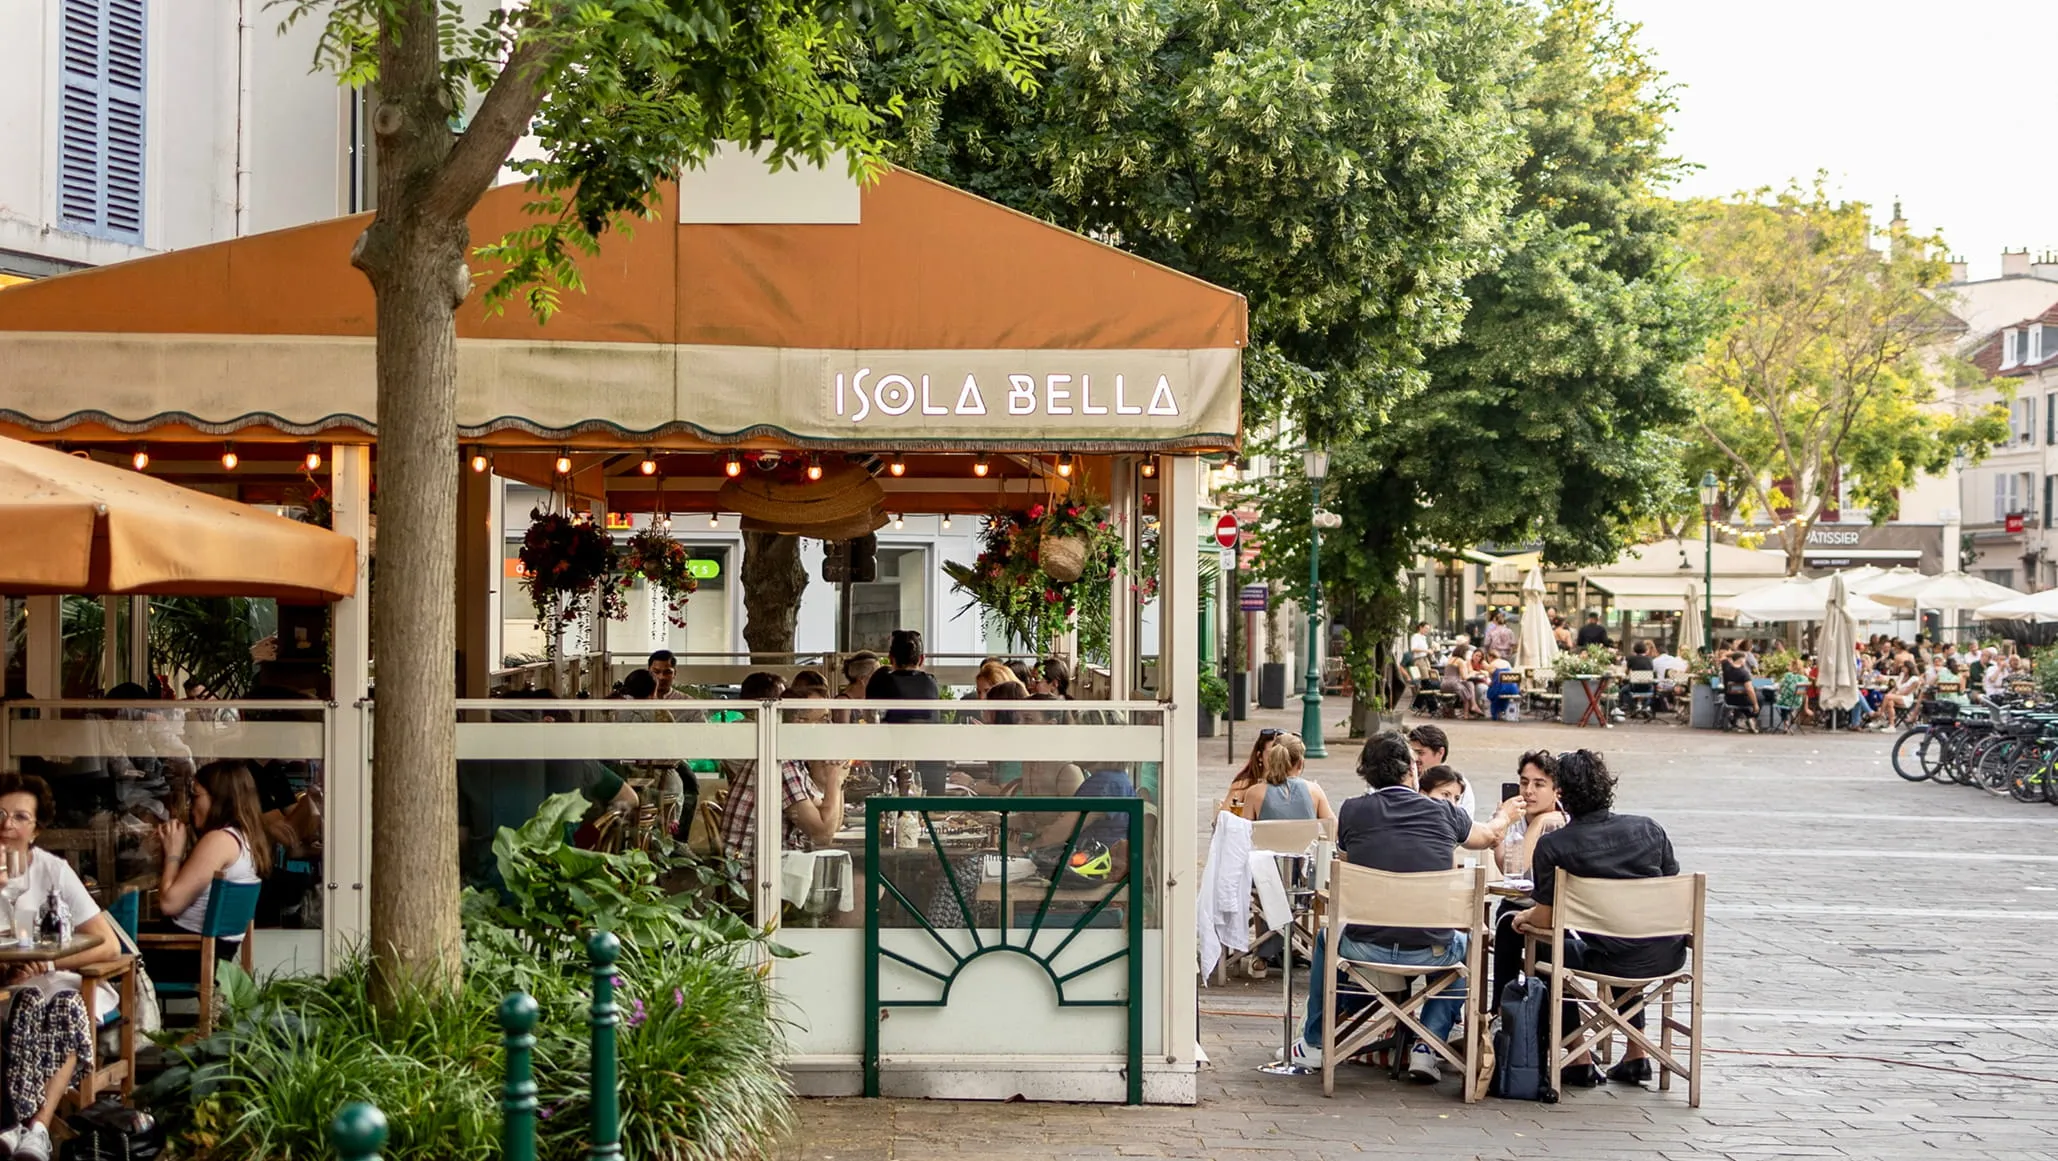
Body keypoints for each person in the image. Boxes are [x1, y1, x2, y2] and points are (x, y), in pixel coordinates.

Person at [1288, 732, 1524, 1081]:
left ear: (1367, 773)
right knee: (1469, 946)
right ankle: (1427, 1047)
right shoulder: (1445, 811)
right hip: (1431, 949)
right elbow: (1488, 837)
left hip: (1364, 945)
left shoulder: (1353, 811)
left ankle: (1315, 1040)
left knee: (1326, 938)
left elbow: (1350, 862)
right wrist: (1505, 814)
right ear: (1412, 771)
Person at [1511, 750, 1683, 1088]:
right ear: (1607, 786)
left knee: (1548, 946)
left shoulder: (1554, 846)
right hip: (1667, 951)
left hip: (1612, 954)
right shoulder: (1649, 829)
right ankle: (1637, 1053)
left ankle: (1579, 1056)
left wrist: (1523, 917)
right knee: (1626, 933)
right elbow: (1672, 887)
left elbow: (1544, 919)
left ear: (1561, 793)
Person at [0, 773, 124, 1161]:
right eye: (0, 814)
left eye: (21, 817)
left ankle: (35, 1128)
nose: (7, 824)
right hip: (9, 987)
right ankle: (24, 1126)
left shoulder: (52, 871)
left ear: (36, 829)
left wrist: (50, 960)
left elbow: (107, 943)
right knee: (32, 1004)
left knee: (68, 1005)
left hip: (60, 979)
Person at [148, 760, 272, 983]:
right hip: (212, 954)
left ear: (220, 798)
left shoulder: (219, 840)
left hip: (184, 957)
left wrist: (173, 854)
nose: (190, 805)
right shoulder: (245, 838)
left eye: (195, 796)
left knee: (106, 940)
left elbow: (169, 903)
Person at [720, 685, 844, 864]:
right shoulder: (781, 764)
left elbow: (831, 825)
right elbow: (822, 835)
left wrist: (833, 779)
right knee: (855, 875)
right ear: (800, 723)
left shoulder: (791, 759)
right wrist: (835, 779)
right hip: (757, 877)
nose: (829, 726)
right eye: (824, 719)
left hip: (777, 866)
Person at [1489, 751, 1566, 1004]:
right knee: (1506, 921)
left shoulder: (1563, 821)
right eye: (1524, 782)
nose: (1529, 791)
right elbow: (1509, 869)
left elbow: (1522, 866)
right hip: (1520, 903)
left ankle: (1547, 1016)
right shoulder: (1514, 815)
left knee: (1542, 940)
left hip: (1560, 911)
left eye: (1539, 784)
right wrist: (1502, 825)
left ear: (1557, 791)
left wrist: (1540, 823)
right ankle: (1501, 1012)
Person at [866, 630, 945, 792]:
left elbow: (869, 719)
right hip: (931, 768)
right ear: (922, 659)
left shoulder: (881, 681)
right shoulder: (931, 683)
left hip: (890, 765)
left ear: (890, 658)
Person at [1238, 733, 1335, 823]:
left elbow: (1245, 834)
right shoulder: (1314, 791)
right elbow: (1332, 828)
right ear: (1300, 763)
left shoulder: (1254, 793)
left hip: (1267, 841)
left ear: (1272, 760)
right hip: (1305, 841)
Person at [1406, 725, 1475, 820]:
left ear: (1440, 752)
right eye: (1412, 753)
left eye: (1420, 753)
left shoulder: (1458, 784)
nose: (1415, 758)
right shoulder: (1405, 780)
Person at [1218, 729, 1282, 821]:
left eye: (1281, 754)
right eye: (1271, 754)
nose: (1277, 759)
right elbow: (1222, 819)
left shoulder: (1293, 785)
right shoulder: (1245, 784)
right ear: (1260, 756)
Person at [1440, 644, 1482, 719]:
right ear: (1463, 653)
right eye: (1467, 653)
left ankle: (1473, 706)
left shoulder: (1450, 659)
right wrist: (1473, 673)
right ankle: (1466, 714)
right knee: (1466, 691)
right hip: (1453, 684)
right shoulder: (1460, 661)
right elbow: (1465, 677)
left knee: (1469, 684)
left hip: (1443, 685)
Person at [1719, 649, 1758, 728]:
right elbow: (1749, 690)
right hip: (1742, 700)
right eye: (1745, 659)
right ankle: (1752, 718)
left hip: (1728, 699)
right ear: (1741, 660)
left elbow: (1723, 655)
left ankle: (1736, 720)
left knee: (1743, 701)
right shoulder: (1744, 673)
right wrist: (1755, 704)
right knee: (1759, 698)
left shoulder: (1726, 666)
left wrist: (1735, 653)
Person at [1775, 654, 1811, 729]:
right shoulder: (1805, 679)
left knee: (1780, 701)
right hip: (1798, 702)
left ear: (1792, 667)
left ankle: (1786, 723)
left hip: (1786, 702)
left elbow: (1780, 687)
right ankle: (1791, 716)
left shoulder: (1787, 675)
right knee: (1787, 702)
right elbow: (1805, 693)